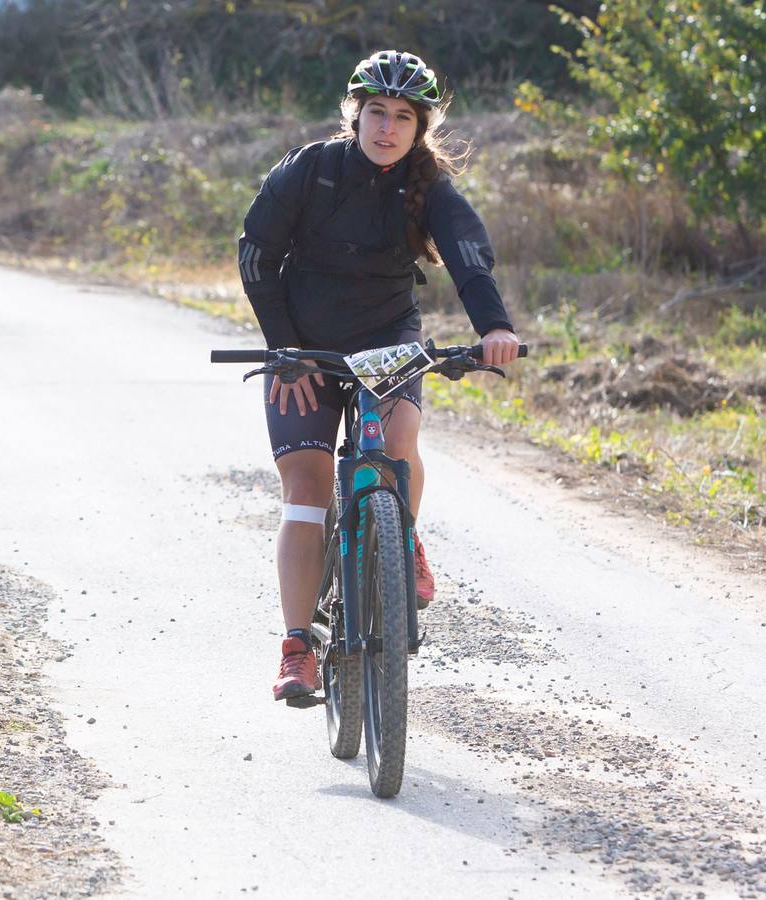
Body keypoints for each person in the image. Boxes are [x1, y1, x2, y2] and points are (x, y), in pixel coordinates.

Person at [236, 50, 523, 705]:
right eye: (376, 113)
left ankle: (403, 540)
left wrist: (494, 328)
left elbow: (469, 259)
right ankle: (298, 649)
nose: (387, 127)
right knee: (306, 486)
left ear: (419, 127)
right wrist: (284, 347)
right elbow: (257, 254)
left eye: (402, 117)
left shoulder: (429, 188)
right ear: (355, 115)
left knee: (398, 445)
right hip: (304, 347)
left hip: (387, 343)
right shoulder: (310, 170)